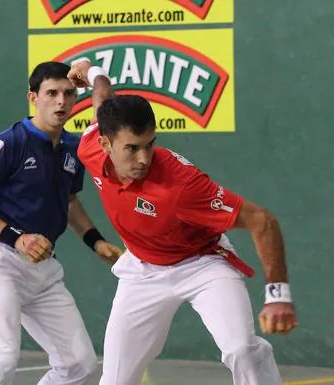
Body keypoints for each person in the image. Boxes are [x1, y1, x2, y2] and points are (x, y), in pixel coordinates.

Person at [68, 59, 298, 385]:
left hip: (202, 264)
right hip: (143, 271)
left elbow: (263, 221)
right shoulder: (90, 146)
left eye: (149, 145)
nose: (143, 158)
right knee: (115, 380)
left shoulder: (182, 185)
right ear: (105, 144)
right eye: (132, 149)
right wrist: (91, 71)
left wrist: (278, 296)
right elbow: (104, 98)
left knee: (242, 349)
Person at [0, 61, 123, 385]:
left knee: (80, 363)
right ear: (33, 97)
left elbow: (70, 202)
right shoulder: (9, 143)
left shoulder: (74, 148)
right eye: (51, 93)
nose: (61, 101)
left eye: (68, 93)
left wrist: (95, 240)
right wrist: (18, 238)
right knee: (0, 359)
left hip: (43, 269)